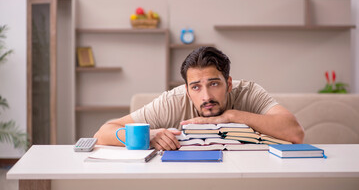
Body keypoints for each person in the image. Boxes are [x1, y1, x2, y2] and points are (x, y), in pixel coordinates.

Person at [94, 46, 304, 150]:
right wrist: (148, 135)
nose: (206, 96)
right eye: (196, 87)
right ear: (187, 90)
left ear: (229, 83)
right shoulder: (172, 101)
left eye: (214, 84)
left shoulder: (248, 92)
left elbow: (295, 133)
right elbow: (103, 133)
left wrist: (231, 116)